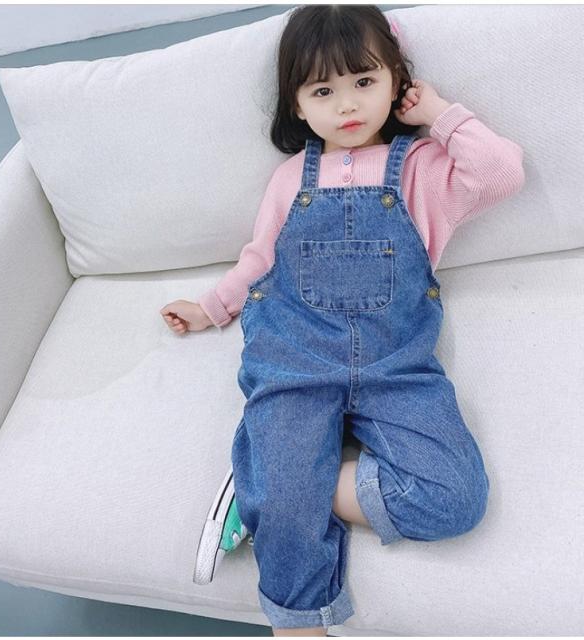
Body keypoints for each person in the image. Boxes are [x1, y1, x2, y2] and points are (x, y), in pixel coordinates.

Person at [161, 4, 525, 636]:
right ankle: (299, 613)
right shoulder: (289, 179)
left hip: (396, 366)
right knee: (290, 517)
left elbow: (500, 172)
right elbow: (260, 261)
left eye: (364, 80)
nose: (348, 104)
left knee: (457, 500)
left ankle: (268, 481)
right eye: (323, 91)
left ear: (396, 81)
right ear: (298, 105)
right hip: (295, 357)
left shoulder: (420, 170)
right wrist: (211, 307)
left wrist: (439, 114)